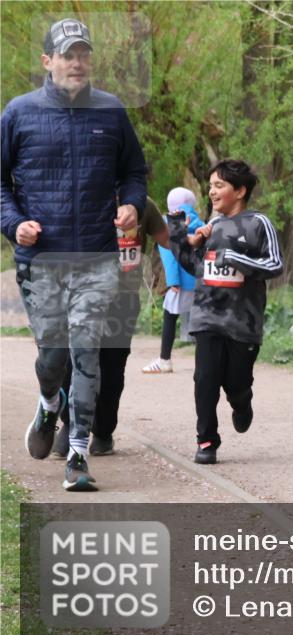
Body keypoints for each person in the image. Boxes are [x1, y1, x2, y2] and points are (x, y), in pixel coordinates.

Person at [1, 18, 147, 491]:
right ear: (48, 61)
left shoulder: (111, 111)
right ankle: (48, 405)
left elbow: (135, 172)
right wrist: (13, 223)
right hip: (42, 260)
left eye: (83, 53)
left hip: (97, 258)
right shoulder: (18, 114)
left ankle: (79, 453)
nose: (77, 62)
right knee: (54, 357)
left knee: (88, 352)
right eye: (67, 54)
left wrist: (131, 203)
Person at [170, 159, 283, 464]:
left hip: (243, 323)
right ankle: (206, 441)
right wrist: (182, 235)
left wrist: (234, 257)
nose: (212, 192)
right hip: (207, 316)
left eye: (219, 185)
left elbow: (275, 265)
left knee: (236, 382)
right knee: (204, 378)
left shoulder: (259, 223)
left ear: (241, 190)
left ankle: (241, 401)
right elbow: (197, 269)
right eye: (210, 186)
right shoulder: (212, 225)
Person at [53, 196, 168, 458]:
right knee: (73, 362)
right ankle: (69, 425)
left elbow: (167, 239)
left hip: (122, 301)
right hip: (80, 297)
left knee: (112, 366)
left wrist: (177, 269)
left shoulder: (145, 205)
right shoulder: (78, 196)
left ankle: (103, 432)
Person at [143, 187, 205, 374]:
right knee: (200, 322)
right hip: (199, 280)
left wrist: (172, 281)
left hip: (180, 282)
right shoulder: (201, 222)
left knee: (169, 317)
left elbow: (170, 255)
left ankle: (164, 360)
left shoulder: (167, 223)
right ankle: (203, 363)